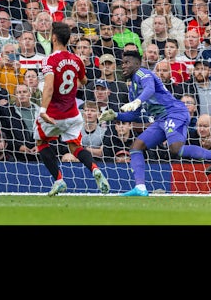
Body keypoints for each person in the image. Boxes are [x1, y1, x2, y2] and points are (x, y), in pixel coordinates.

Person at [98, 50, 211, 195]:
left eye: (127, 63)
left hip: (174, 113)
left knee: (175, 148)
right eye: (122, 63)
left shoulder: (143, 73)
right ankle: (140, 188)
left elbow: (150, 89)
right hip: (161, 119)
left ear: (137, 64)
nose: (124, 66)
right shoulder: (132, 88)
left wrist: (137, 101)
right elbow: (134, 114)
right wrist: (115, 115)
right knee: (136, 147)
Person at [34, 21, 110, 196]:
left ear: (53, 37)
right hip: (73, 113)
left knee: (41, 143)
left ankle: (59, 180)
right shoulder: (76, 60)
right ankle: (95, 168)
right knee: (75, 147)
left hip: (53, 113)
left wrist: (43, 110)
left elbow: (49, 87)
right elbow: (84, 82)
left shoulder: (49, 60)